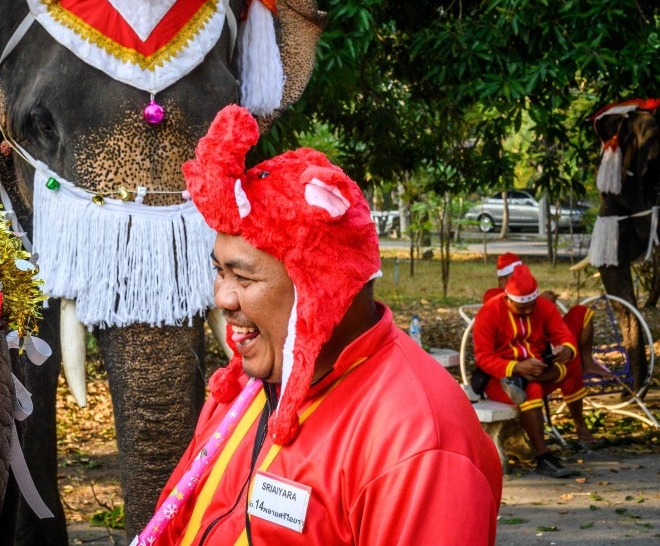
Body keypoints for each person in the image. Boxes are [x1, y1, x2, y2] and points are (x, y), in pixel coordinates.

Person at [133, 105, 502, 546]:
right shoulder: (246, 386)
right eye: (220, 271)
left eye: (244, 276)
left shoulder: (419, 442)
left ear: (321, 289)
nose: (222, 298)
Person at [474, 263, 592, 477]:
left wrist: (566, 349)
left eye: (532, 304)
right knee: (532, 390)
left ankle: (577, 422)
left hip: (538, 370)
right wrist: (516, 367)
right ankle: (543, 457)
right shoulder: (489, 312)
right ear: (508, 298)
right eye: (522, 307)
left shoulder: (544, 307)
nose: (528, 310)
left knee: (569, 366)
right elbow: (483, 358)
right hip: (499, 378)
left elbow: (563, 334)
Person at [484, 253, 610, 379]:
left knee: (582, 312)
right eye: (516, 276)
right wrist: (540, 302)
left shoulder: (529, 295)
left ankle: (587, 363)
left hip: (550, 340)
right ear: (502, 280)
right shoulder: (493, 295)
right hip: (527, 351)